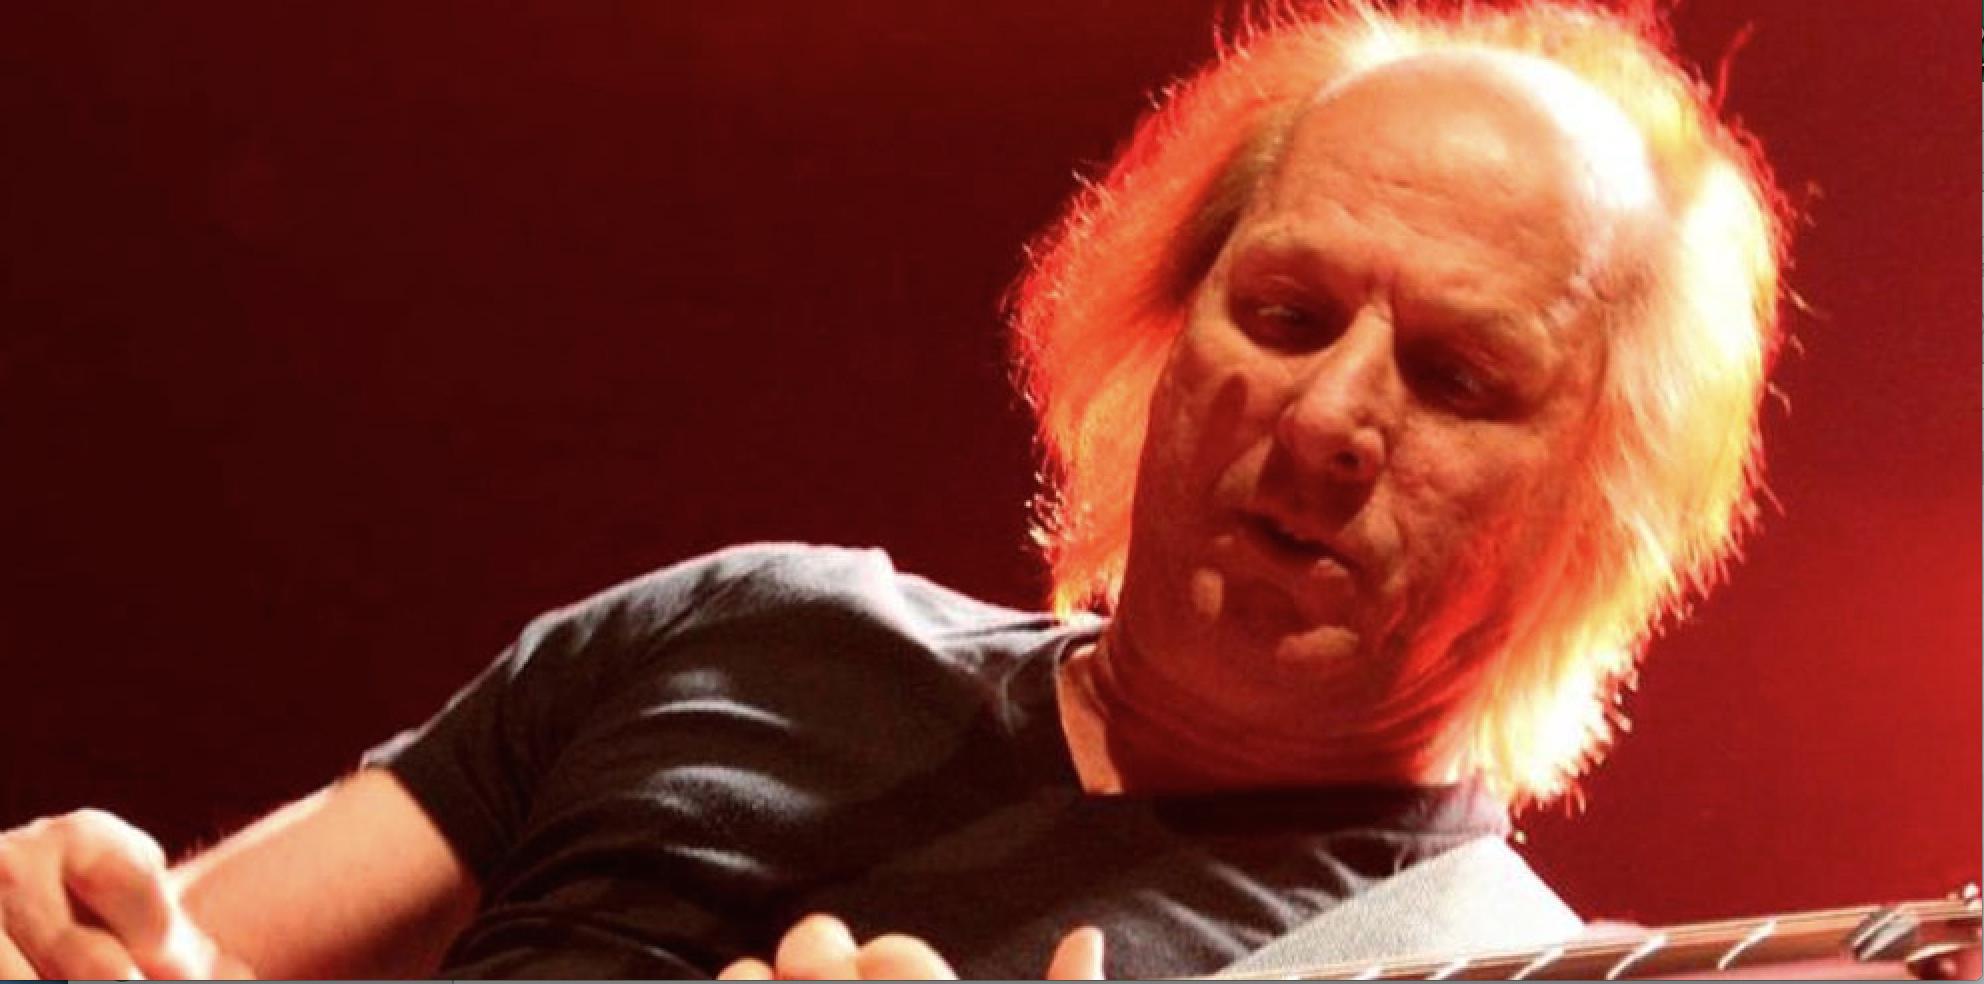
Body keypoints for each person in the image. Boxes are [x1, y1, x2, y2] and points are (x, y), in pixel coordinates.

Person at [0, 1, 1789, 979]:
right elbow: (183, 952)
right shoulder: (757, 630)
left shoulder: (1490, 979)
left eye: (1456, 376)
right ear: (1166, 336)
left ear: (1599, 510)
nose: (1328, 414)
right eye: (1286, 312)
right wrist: (67, 932)